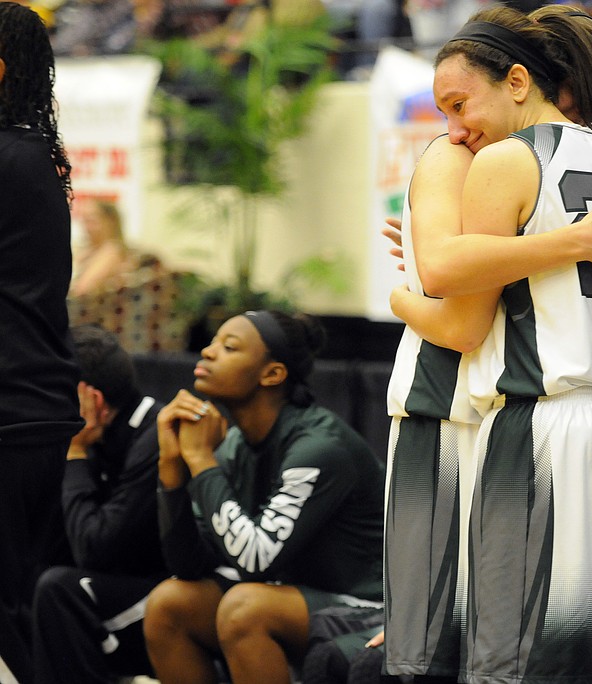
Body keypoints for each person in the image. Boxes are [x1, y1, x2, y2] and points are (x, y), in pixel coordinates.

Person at [381, 7, 592, 684]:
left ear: (520, 80)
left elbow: (451, 296)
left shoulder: (501, 159)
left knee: (505, 666)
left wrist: (404, 295)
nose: (453, 130)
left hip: (544, 424)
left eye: (460, 106)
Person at [143, 310, 385, 684]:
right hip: (293, 597)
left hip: (371, 607)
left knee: (245, 608)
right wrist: (171, 469)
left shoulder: (319, 448)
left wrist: (201, 460)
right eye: (213, 342)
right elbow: (187, 565)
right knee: (169, 603)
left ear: (272, 374)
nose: (207, 352)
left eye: (229, 347)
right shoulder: (236, 445)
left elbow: (255, 559)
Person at [0, 4, 84, 682]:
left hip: (14, 409)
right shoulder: (27, 153)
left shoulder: (10, 156)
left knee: (16, 605)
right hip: (31, 403)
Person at [31, 324, 168, 684]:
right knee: (30, 572)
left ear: (92, 400)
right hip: (126, 582)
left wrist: (75, 453)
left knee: (59, 590)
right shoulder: (102, 433)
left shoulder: (156, 435)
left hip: (172, 594)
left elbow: (95, 548)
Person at [70, 199, 135, 298]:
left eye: (91, 220)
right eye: (84, 220)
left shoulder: (112, 251)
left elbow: (82, 289)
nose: (86, 227)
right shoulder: (88, 250)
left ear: (110, 221)